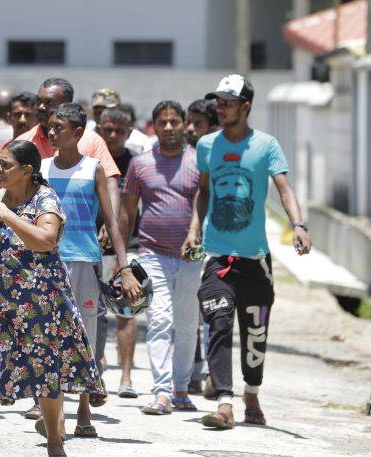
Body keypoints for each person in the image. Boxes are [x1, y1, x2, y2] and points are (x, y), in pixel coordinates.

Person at [0, 140, 103, 457]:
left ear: (28, 171)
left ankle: (55, 443)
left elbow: (45, 240)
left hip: (40, 303)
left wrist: (8, 216)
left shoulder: (45, 199)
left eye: (6, 165)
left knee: (45, 372)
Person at [183, 74, 311, 429]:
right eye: (218, 102)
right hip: (217, 256)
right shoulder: (208, 145)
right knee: (218, 321)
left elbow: (284, 189)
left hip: (255, 260)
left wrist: (298, 225)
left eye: (227, 102)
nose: (220, 108)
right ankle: (224, 402)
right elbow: (204, 191)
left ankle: (251, 394)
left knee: (255, 334)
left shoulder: (266, 145)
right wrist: (194, 229)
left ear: (245, 106)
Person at [41, 103, 140, 438]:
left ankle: (83, 409)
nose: (52, 132)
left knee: (83, 337)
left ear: (78, 133)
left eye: (59, 127)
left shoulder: (93, 168)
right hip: (48, 262)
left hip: (85, 260)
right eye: (50, 127)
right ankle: (53, 413)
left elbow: (112, 221)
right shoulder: (41, 168)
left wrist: (123, 267)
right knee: (49, 336)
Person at [120, 101, 202, 415]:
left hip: (191, 255)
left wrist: (196, 231)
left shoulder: (198, 162)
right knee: (159, 321)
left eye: (174, 122)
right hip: (151, 253)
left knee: (186, 323)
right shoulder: (140, 164)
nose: (168, 128)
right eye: (162, 122)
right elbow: (127, 214)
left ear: (184, 124)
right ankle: (162, 391)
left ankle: (182, 388)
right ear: (154, 126)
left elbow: (203, 202)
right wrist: (123, 259)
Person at [95, 107, 140, 399]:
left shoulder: (135, 163)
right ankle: (94, 369)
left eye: (119, 130)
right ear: (98, 128)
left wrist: (121, 250)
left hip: (127, 247)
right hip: (92, 248)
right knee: (93, 312)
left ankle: (126, 377)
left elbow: (133, 210)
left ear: (129, 132)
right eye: (107, 129)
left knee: (126, 310)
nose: (112, 135)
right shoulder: (90, 159)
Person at [183, 98, 220, 398]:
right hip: (186, 241)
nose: (190, 129)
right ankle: (193, 371)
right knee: (189, 309)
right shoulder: (180, 155)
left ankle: (210, 372)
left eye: (199, 124)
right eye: (189, 122)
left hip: (214, 241)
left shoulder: (216, 155)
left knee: (210, 309)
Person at [0, 91, 38, 196]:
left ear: (37, 118)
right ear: (9, 117)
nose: (22, 120)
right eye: (17, 114)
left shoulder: (44, 152)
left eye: (28, 115)